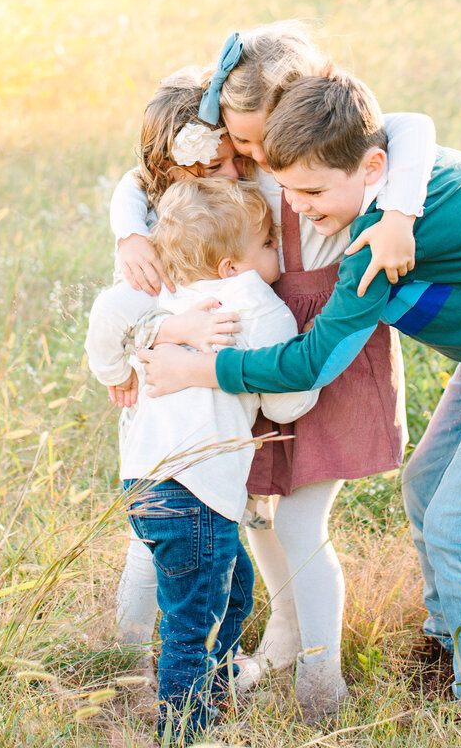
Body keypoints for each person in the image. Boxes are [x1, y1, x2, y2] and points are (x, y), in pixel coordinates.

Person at [139, 70, 461, 724]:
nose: (300, 208)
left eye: (310, 192)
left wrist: (204, 370)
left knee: (457, 526)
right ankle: (449, 640)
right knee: (427, 489)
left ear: (372, 169)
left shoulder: (374, 234)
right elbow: (405, 128)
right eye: (289, 192)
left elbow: (310, 364)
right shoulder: (386, 186)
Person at [119, 177, 319, 741]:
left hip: (144, 485)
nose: (278, 253)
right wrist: (315, 383)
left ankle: (216, 686)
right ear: (234, 266)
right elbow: (285, 393)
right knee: (194, 623)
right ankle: (182, 730)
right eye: (268, 244)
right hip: (196, 493)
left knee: (232, 589)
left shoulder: (171, 303)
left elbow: (132, 338)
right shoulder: (257, 305)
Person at [83, 69, 244, 657]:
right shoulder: (159, 247)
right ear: (177, 174)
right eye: (217, 166)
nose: (235, 172)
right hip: (158, 404)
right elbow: (113, 316)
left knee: (171, 529)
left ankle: (142, 647)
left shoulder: (204, 204)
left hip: (206, 407)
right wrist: (117, 372)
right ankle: (127, 651)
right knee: (156, 536)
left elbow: (131, 180)